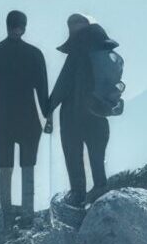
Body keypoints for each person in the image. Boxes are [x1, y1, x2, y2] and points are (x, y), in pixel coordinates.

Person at [0, 9, 51, 223]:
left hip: (2, 118)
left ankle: (7, 214)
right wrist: (48, 117)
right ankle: (28, 213)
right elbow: (43, 91)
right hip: (29, 119)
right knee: (28, 166)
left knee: (5, 166)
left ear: (6, 24)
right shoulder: (35, 54)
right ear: (24, 26)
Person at [48, 13, 119, 206]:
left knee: (74, 156)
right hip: (98, 112)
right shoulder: (103, 51)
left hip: (73, 115)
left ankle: (77, 194)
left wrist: (48, 108)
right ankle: (100, 187)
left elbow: (63, 84)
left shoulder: (77, 53)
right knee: (97, 157)